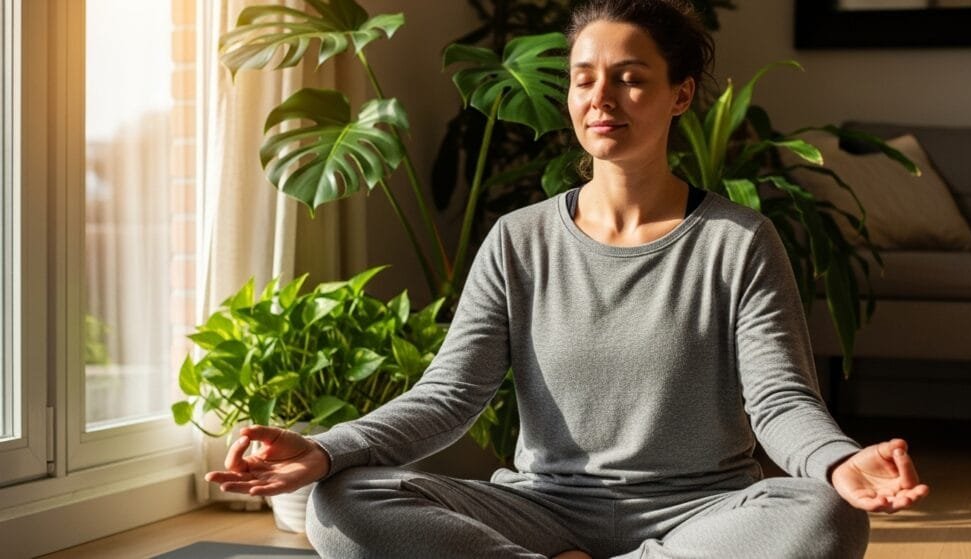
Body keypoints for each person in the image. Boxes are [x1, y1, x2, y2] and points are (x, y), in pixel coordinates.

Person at [206, 1, 929, 557]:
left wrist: (838, 462)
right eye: (584, 79)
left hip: (700, 513)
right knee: (344, 502)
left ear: (680, 95)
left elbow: (779, 399)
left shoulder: (738, 241)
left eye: (630, 78)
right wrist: (328, 446)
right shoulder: (517, 240)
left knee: (824, 517)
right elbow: (450, 395)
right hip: (542, 507)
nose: (600, 98)